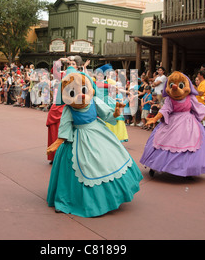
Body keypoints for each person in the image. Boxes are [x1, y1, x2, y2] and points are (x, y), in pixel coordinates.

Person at [46, 68, 142, 217]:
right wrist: (59, 142)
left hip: (98, 133)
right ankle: (68, 199)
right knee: (78, 167)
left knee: (106, 160)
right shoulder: (68, 109)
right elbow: (64, 126)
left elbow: (107, 115)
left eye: (83, 89)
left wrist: (116, 112)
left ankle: (110, 196)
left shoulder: (94, 101)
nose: (80, 95)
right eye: (72, 93)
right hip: (77, 137)